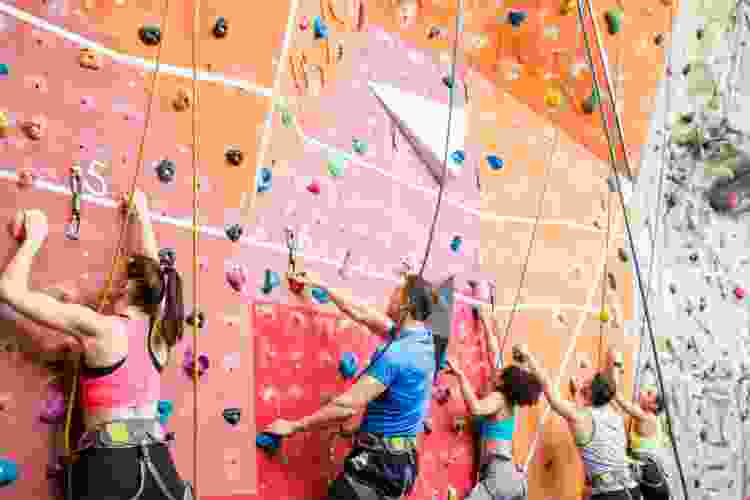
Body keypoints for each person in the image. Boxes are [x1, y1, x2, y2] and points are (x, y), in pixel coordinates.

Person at [0, 190, 192, 500]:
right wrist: (143, 214)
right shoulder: (160, 335)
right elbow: (156, 280)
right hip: (161, 470)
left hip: (112, 470)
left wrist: (35, 237)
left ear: (127, 287)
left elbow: (10, 290)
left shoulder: (101, 329)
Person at [265, 272, 436, 500]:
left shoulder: (398, 355)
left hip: (381, 467)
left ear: (406, 304)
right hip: (400, 461)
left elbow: (347, 406)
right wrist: (322, 284)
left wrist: (294, 426)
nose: (390, 296)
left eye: (396, 292)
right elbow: (363, 314)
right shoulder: (421, 340)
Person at [516, 345, 642, 500]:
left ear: (589, 392)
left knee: (587, 492)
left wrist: (528, 356)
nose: (584, 382)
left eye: (587, 383)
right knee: (586, 493)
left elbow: (550, 391)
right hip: (631, 490)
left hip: (610, 495)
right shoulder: (614, 413)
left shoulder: (580, 416)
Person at [444, 307, 543, 500]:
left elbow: (476, 408)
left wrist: (461, 376)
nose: (496, 372)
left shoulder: (498, 399)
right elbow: (494, 352)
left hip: (499, 478)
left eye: (500, 375)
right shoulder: (508, 397)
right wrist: (485, 322)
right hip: (512, 478)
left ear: (503, 384)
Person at [609, 350, 671, 500]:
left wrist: (615, 365)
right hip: (651, 475)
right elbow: (640, 394)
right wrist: (647, 370)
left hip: (650, 476)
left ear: (653, 407)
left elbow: (615, 395)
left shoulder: (645, 418)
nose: (644, 392)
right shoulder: (651, 416)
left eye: (648, 394)